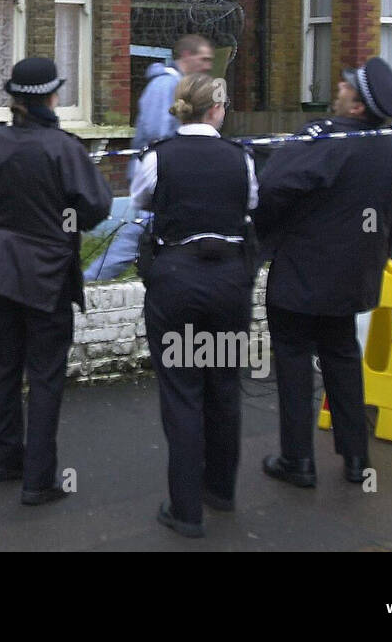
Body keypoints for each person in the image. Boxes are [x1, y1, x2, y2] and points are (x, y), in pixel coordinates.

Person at [255, 56, 392, 489]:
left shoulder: (325, 141)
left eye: (346, 86)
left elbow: (271, 187)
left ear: (357, 106)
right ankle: (357, 458)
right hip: (353, 278)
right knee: (343, 359)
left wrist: (270, 236)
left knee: (292, 363)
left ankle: (298, 460)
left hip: (301, 275)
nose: (339, 89)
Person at [0, 56, 113, 505]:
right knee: (45, 378)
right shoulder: (64, 148)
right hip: (45, 277)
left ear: (15, 98)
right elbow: (96, 208)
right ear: (51, 96)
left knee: (3, 371)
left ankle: (3, 462)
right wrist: (62, 222)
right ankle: (38, 480)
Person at [131, 72, 258, 537]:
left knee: (182, 391)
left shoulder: (158, 158)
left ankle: (185, 510)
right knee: (223, 384)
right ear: (216, 109)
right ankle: (220, 491)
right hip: (227, 280)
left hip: (177, 279)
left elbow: (142, 200)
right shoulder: (239, 158)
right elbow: (250, 204)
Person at [85, 34, 214, 281]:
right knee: (134, 236)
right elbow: (156, 133)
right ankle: (91, 282)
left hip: (162, 172)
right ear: (186, 55)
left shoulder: (176, 85)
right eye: (204, 58)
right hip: (156, 174)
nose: (208, 65)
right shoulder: (166, 85)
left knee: (144, 236)